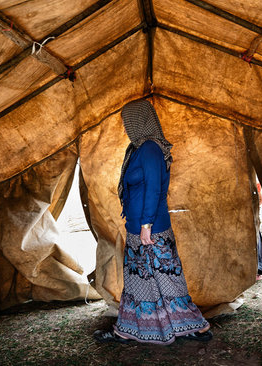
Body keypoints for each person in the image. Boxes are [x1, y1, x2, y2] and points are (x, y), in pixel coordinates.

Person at [94, 99, 212, 345]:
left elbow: (154, 189)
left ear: (141, 122)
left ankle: (195, 327)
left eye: (129, 123)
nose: (126, 128)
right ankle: (128, 329)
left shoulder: (150, 149)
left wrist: (146, 225)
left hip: (151, 228)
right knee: (139, 280)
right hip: (138, 227)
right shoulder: (137, 149)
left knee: (168, 276)